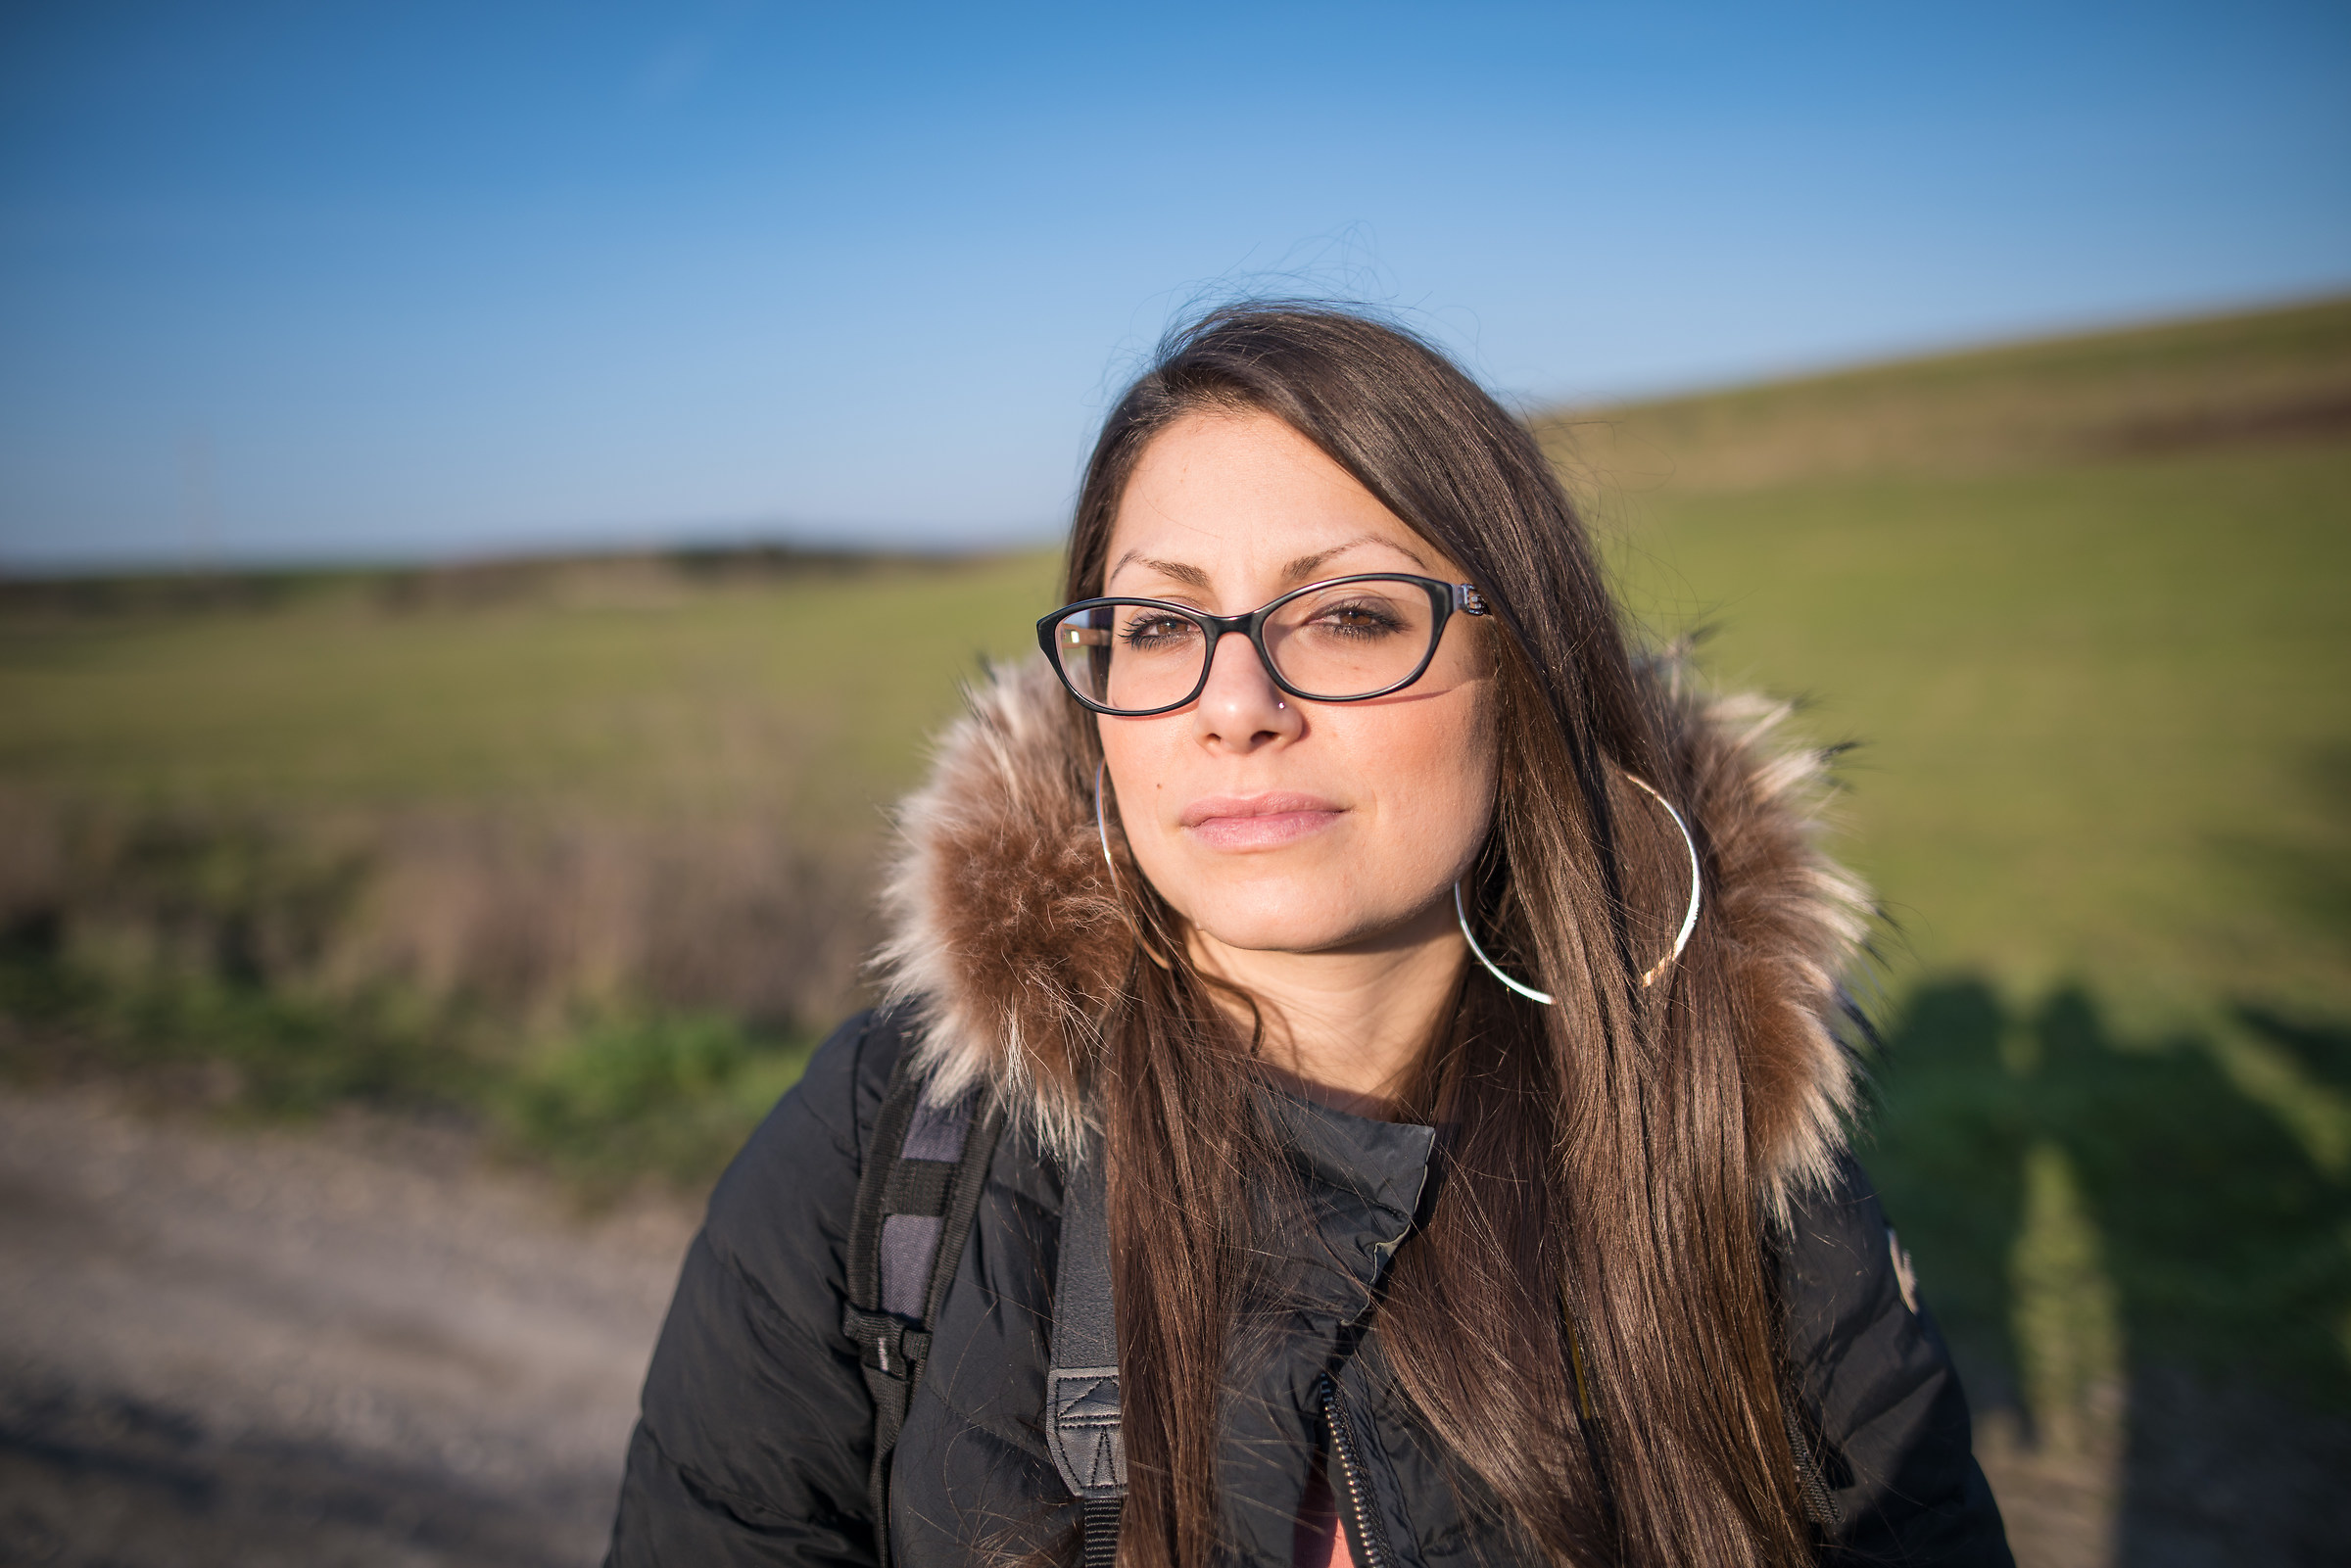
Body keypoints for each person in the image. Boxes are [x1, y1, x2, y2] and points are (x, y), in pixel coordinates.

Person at [603, 305, 2013, 1568]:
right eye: (1157, 627)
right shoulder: (889, 1145)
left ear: (1521, 670)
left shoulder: (1715, 1148)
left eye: (1344, 615)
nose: (1233, 704)